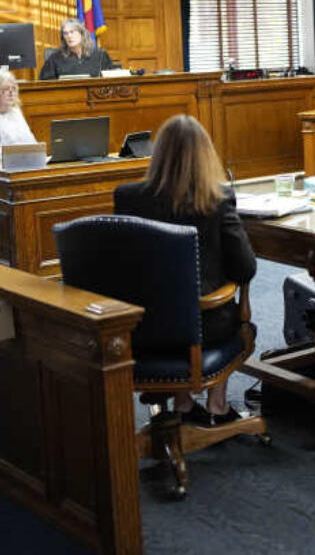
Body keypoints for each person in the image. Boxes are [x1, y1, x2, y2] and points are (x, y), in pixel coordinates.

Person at [113, 114, 257, 426]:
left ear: (159, 153)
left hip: (138, 328)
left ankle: (182, 403)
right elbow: (244, 268)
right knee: (225, 307)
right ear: (206, 155)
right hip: (202, 329)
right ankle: (217, 406)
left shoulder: (127, 197)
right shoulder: (217, 200)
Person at [39, 18, 116, 79]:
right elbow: (45, 84)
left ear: (82, 34)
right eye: (66, 33)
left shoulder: (100, 55)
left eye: (72, 32)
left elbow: (111, 80)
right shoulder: (55, 58)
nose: (69, 36)